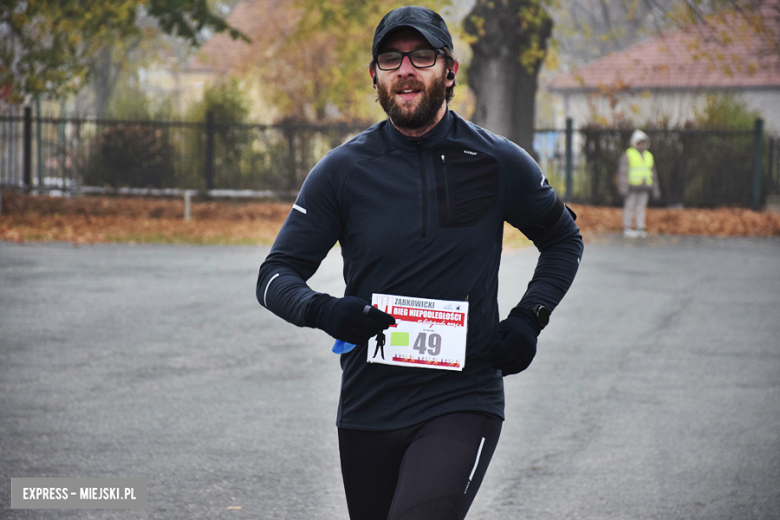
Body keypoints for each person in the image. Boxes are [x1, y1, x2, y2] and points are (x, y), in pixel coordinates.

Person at [256, 6, 583, 519]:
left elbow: (564, 239)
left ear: (449, 71)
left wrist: (529, 318)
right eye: (391, 58)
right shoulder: (343, 171)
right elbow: (274, 275)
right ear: (375, 76)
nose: (405, 69)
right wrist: (324, 311)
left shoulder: (497, 162)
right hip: (368, 405)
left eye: (421, 56)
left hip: (463, 396)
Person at [618, 129, 661, 238]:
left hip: (645, 187)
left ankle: (640, 227)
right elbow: (623, 172)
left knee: (641, 208)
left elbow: (653, 174)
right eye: (639, 142)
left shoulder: (648, 156)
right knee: (630, 207)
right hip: (632, 187)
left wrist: (655, 189)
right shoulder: (629, 154)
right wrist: (624, 187)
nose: (642, 145)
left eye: (643, 142)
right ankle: (627, 227)